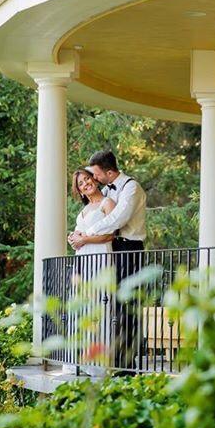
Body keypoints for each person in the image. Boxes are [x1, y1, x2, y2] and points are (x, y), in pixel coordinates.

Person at [70, 151, 147, 371]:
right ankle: (110, 357)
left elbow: (117, 219)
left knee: (127, 303)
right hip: (113, 250)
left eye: (94, 175)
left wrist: (85, 235)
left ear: (109, 172)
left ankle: (128, 363)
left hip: (129, 248)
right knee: (110, 303)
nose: (92, 180)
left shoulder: (131, 187)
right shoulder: (104, 191)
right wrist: (79, 237)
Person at [65, 168, 116, 375]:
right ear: (80, 191)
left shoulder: (107, 203)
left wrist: (84, 239)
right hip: (83, 260)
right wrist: (74, 239)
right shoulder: (84, 211)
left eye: (87, 179)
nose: (86, 184)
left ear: (94, 180)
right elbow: (79, 234)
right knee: (82, 307)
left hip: (101, 257)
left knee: (99, 306)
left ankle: (98, 365)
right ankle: (79, 360)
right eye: (81, 183)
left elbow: (111, 234)